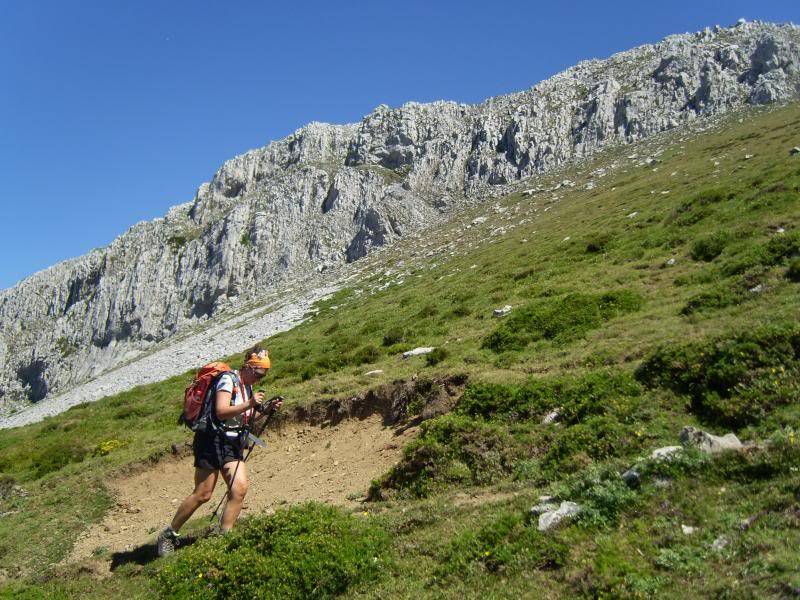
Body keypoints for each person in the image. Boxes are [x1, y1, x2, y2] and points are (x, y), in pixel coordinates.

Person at [157, 344, 282, 556]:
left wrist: (266, 409)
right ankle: (169, 534)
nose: (260, 379)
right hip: (210, 441)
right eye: (259, 374)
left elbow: (243, 419)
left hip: (232, 442)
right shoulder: (227, 380)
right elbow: (221, 411)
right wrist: (251, 403)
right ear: (248, 367)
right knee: (203, 494)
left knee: (239, 488)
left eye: (264, 375)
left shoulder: (247, 386)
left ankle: (225, 537)